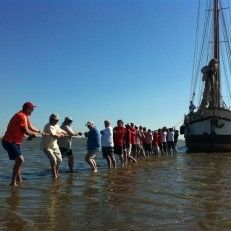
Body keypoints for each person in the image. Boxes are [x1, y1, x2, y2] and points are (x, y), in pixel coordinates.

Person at [2, 102, 41, 186]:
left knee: (18, 161)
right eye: (32, 109)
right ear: (28, 109)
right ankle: (13, 182)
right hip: (9, 141)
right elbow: (27, 131)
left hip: (15, 142)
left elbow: (30, 127)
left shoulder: (25, 116)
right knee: (20, 159)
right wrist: (33, 135)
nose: (33, 111)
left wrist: (39, 131)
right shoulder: (21, 116)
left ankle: (18, 178)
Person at [41, 114, 67, 179]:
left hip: (55, 146)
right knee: (53, 160)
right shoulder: (48, 126)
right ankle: (54, 174)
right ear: (51, 119)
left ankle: (56, 170)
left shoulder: (57, 125)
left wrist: (61, 133)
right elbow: (56, 136)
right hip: (46, 146)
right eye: (55, 120)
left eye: (57, 120)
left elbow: (64, 132)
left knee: (60, 160)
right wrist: (61, 134)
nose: (57, 121)